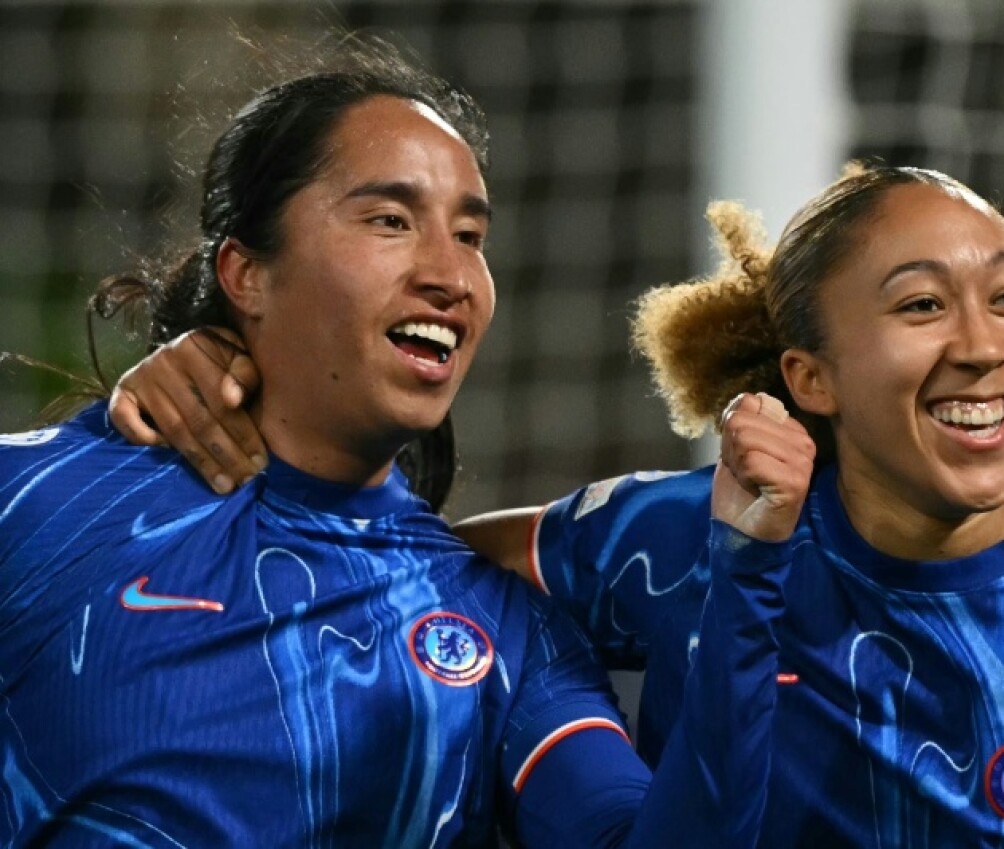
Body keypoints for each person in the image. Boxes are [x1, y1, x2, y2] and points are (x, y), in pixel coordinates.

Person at [106, 162, 1004, 847]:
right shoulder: (674, 542)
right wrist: (213, 390)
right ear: (811, 379)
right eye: (922, 305)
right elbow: (402, 571)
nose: (984, 346)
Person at [0, 36, 811, 848]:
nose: (450, 276)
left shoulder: (505, 634)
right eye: (391, 219)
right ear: (246, 274)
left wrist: (745, 578)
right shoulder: (45, 503)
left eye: (469, 236)